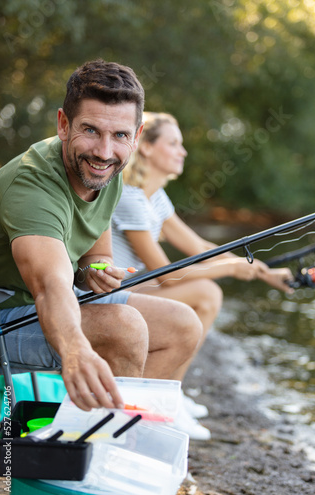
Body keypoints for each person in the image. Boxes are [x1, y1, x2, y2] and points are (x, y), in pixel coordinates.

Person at [0, 61, 203, 414]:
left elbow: (95, 256)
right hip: (5, 315)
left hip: (42, 305)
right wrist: (75, 351)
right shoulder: (32, 186)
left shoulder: (105, 172)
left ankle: (114, 429)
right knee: (124, 329)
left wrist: (96, 271)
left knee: (182, 326)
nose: (104, 151)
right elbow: (49, 286)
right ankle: (98, 446)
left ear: (136, 137)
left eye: (120, 135)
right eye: (91, 130)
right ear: (64, 124)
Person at [111, 111, 294, 439]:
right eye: (174, 143)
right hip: (112, 299)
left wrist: (264, 273)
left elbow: (199, 246)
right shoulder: (129, 197)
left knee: (208, 293)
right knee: (207, 293)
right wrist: (230, 269)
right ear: (148, 148)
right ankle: (168, 395)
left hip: (136, 291)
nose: (183, 151)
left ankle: (172, 392)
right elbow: (166, 275)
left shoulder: (156, 198)